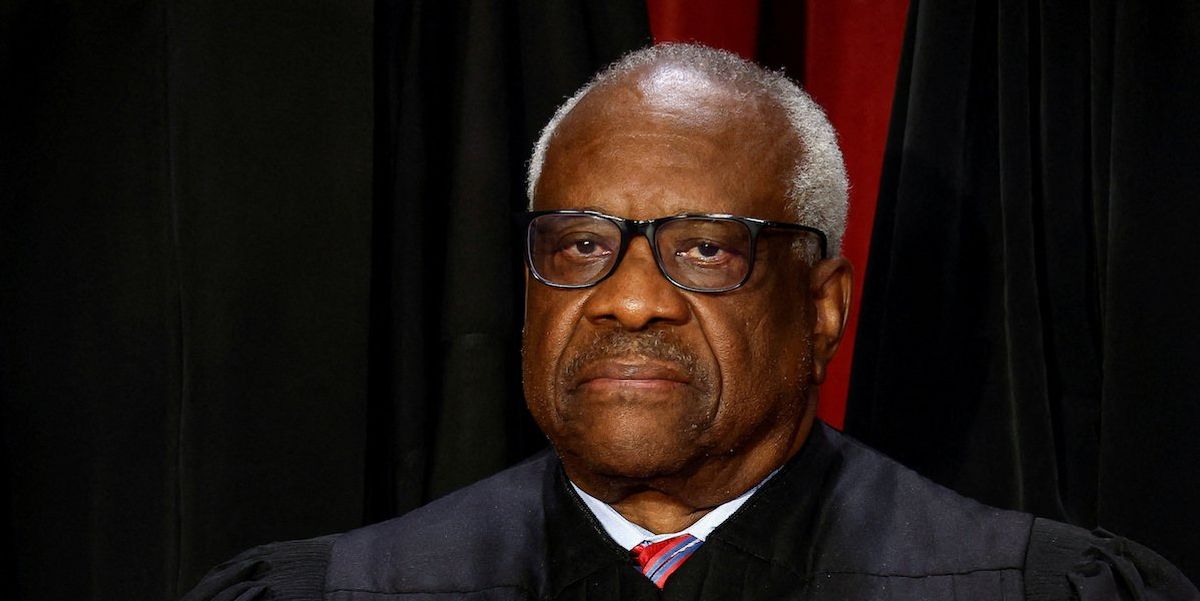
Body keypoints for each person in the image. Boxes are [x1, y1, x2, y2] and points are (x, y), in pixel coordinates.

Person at [183, 44, 1198, 601]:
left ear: (823, 307)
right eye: (580, 244)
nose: (629, 297)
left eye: (707, 247)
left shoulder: (1024, 592)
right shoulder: (346, 592)